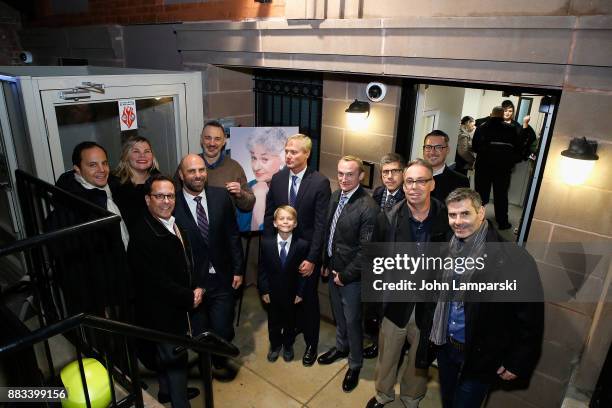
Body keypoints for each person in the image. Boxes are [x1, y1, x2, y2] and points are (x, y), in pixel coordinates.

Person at [426, 188, 544, 407]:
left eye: (465, 214)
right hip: (445, 346)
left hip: (480, 355)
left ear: (480, 213)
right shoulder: (444, 248)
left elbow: (530, 319)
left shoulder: (514, 259)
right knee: (448, 399)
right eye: (453, 215)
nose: (458, 221)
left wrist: (517, 361)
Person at [366, 159, 451, 408]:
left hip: (429, 306)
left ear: (432, 184)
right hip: (394, 304)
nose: (414, 187)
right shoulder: (388, 218)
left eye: (421, 181)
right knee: (387, 355)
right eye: (409, 181)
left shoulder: (448, 220)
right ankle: (383, 395)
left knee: (419, 359)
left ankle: (411, 398)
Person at [127, 174, 201, 407]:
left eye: (170, 195)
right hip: (162, 312)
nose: (166, 201)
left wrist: (195, 284)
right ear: (148, 199)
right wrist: (189, 296)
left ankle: (166, 393)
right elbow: (156, 282)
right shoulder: (144, 234)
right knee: (176, 358)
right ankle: (180, 403)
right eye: (159, 196)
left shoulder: (169, 221)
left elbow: (184, 261)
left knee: (166, 356)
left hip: (172, 306)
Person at [174, 154, 244, 381]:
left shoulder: (221, 196)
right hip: (194, 283)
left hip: (222, 276)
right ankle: (206, 359)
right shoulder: (172, 204)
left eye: (201, 170)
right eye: (192, 171)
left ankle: (220, 357)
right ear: (181, 175)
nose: (198, 175)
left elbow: (232, 235)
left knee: (223, 327)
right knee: (200, 329)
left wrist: (238, 269)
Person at [264, 134, 331, 367]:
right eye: (287, 151)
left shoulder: (319, 182)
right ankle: (281, 340)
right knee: (281, 300)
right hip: (280, 252)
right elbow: (268, 214)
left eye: (294, 152)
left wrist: (313, 259)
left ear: (307, 154)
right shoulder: (278, 178)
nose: (289, 155)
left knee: (308, 301)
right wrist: (268, 247)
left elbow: (321, 224)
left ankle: (311, 344)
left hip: (305, 255)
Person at [318, 155, 379, 393]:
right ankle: (341, 348)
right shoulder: (336, 196)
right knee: (339, 316)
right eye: (340, 173)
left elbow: (366, 252)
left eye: (350, 174)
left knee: (353, 321)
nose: (343, 179)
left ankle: (355, 363)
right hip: (333, 267)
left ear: (361, 176)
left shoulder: (368, 207)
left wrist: (344, 276)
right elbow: (329, 233)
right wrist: (325, 261)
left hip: (351, 276)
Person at [51, 141, 130, 316]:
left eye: (104, 163)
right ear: (77, 169)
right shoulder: (72, 205)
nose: (101, 169)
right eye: (92, 165)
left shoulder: (115, 186)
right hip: (100, 287)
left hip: (123, 273)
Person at [365, 152, 406, 360]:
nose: (389, 176)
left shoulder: (408, 197)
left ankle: (391, 352)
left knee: (391, 313)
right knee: (376, 308)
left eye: (395, 171)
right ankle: (376, 343)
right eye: (385, 172)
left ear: (403, 172)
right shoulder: (379, 192)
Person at [258, 205, 309, 363]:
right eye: (281, 219)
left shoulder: (302, 245)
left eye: (289, 219)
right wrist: (264, 290)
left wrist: (300, 292)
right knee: (273, 321)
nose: (285, 222)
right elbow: (262, 269)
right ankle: (274, 345)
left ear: (295, 223)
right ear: (275, 223)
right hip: (272, 292)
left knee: (289, 321)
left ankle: (288, 345)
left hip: (291, 293)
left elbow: (303, 273)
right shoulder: (266, 243)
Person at [472, 106, 521, 230]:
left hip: (483, 167)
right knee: (501, 195)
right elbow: (517, 149)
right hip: (503, 168)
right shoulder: (511, 129)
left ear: (491, 114)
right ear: (502, 115)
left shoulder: (482, 127)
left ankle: (478, 220)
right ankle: (503, 223)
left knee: (480, 195)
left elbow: (475, 147)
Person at [199, 120, 255, 214]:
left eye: (217, 139)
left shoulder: (234, 168)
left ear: (224, 141)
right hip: (195, 228)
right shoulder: (189, 165)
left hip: (226, 228)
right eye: (208, 138)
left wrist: (240, 193)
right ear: (201, 139)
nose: (212, 143)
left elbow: (249, 204)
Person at [236, 127, 287, 231]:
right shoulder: (247, 188)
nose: (256, 167)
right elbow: (242, 228)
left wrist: (259, 200)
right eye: (254, 158)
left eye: (264, 159)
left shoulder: (290, 189)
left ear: (283, 159)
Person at [113, 135, 160, 231]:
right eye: (136, 151)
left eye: (147, 151)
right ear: (126, 156)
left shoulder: (160, 182)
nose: (142, 155)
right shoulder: (114, 185)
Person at [422, 130, 469, 202]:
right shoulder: (411, 177)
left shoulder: (460, 181)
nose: (432, 152)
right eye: (428, 147)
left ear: (447, 150)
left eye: (438, 147)